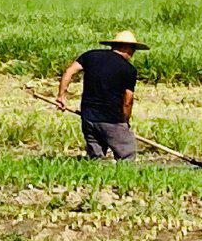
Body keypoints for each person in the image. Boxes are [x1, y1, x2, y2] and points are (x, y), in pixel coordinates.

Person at [56, 30, 148, 161]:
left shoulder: (90, 56)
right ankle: (125, 180)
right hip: (112, 119)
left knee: (95, 158)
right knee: (127, 153)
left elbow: (69, 71)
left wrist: (61, 96)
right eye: (133, 49)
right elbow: (128, 100)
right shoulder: (129, 69)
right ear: (125, 47)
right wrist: (125, 121)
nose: (133, 53)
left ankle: (95, 179)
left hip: (88, 117)